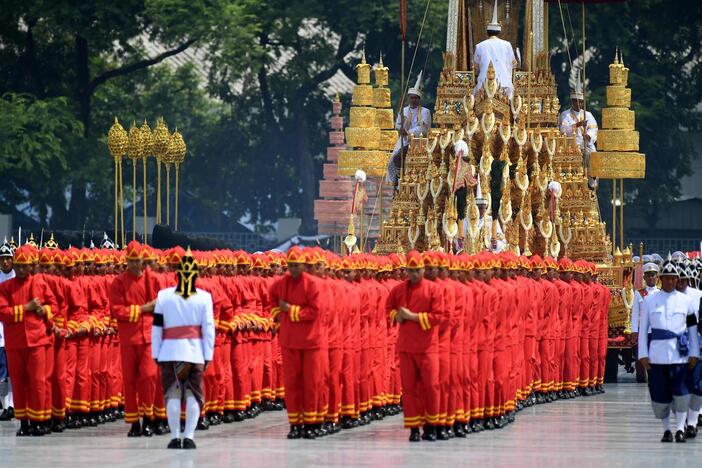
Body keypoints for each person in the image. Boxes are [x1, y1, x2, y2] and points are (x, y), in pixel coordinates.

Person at [152, 248, 215, 449]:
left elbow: (157, 328)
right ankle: (189, 436)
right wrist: (208, 355)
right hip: (194, 353)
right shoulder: (204, 298)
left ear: (177, 274)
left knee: (173, 393)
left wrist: (156, 352)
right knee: (193, 394)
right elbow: (208, 329)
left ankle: (174, 436)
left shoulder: (163, 296)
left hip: (170, 352)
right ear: (195, 275)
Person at [638, 258, 699, 443]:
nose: (670, 281)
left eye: (673, 278)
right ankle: (666, 429)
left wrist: (694, 353)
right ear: (661, 279)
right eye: (667, 278)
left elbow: (692, 330)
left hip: (680, 356)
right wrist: (642, 354)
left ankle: (680, 428)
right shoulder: (650, 301)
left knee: (681, 393)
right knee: (660, 394)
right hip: (657, 355)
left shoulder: (686, 302)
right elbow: (643, 330)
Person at [0, 245, 58, 436]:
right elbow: (3, 313)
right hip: (15, 343)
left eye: (26, 266)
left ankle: (38, 421)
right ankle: (23, 422)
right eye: (19, 266)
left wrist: (45, 311)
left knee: (38, 382)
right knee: (18, 382)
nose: (22, 269)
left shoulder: (40, 283)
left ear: (32, 266)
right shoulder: (6, 287)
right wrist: (26, 308)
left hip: (37, 340)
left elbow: (54, 305)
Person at [385, 250, 443, 442]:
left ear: (423, 270)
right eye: (411, 270)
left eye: (417, 270)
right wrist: (397, 316)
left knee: (431, 386)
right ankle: (413, 428)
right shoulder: (398, 290)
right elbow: (388, 308)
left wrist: (413, 317)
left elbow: (438, 316)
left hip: (427, 347)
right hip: (407, 347)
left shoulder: (433, 290)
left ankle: (431, 425)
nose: (414, 274)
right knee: (409, 389)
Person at [269, 246, 324, 440]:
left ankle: (310, 423)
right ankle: (295, 424)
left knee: (311, 383)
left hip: (310, 342)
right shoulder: (280, 284)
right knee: (291, 384)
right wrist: (278, 315)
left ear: (302, 265)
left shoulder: (312, 285)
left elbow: (314, 311)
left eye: (296, 266)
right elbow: (273, 300)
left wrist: (290, 310)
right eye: (290, 266)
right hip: (289, 341)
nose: (293, 269)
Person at [108, 241, 159, 437]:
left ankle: (148, 418)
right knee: (129, 381)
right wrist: (142, 309)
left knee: (149, 376)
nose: (135, 265)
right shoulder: (118, 282)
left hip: (148, 337)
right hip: (129, 338)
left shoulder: (151, 280)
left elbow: (160, 304)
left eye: (137, 261)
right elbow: (117, 310)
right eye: (131, 261)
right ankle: (134, 422)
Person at [386, 72, 432, 188]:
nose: (414, 100)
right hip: (404, 140)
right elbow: (397, 125)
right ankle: (397, 179)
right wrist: (400, 129)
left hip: (418, 141)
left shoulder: (425, 112)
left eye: (416, 98)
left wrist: (409, 132)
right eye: (412, 98)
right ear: (408, 98)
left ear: (419, 99)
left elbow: (423, 128)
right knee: (394, 159)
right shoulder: (404, 110)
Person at [472, 0, 517, 98]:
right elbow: (512, 65)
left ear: (487, 31)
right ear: (499, 31)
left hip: (484, 86)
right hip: (504, 85)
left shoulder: (480, 46)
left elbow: (476, 68)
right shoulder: (507, 45)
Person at [559, 82, 599, 189]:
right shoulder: (565, 115)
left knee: (593, 155)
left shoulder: (588, 115)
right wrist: (578, 124)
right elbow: (563, 130)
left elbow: (594, 129)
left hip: (586, 144)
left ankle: (592, 181)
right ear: (572, 102)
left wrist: (589, 136)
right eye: (577, 102)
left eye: (581, 102)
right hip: (572, 146)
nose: (580, 104)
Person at [631, 263, 660, 382]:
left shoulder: (661, 292)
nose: (651, 278)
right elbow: (634, 313)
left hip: (657, 330)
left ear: (657, 277)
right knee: (641, 355)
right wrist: (634, 330)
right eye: (648, 275)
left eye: (653, 275)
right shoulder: (639, 293)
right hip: (643, 330)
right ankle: (642, 377)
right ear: (644, 278)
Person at [0, 239, 15, 421]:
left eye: (8, 258)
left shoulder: (15, 278)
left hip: (13, 329)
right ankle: (5, 405)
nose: (5, 261)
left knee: (12, 373)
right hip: (0, 331)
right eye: (2, 258)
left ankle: (11, 405)